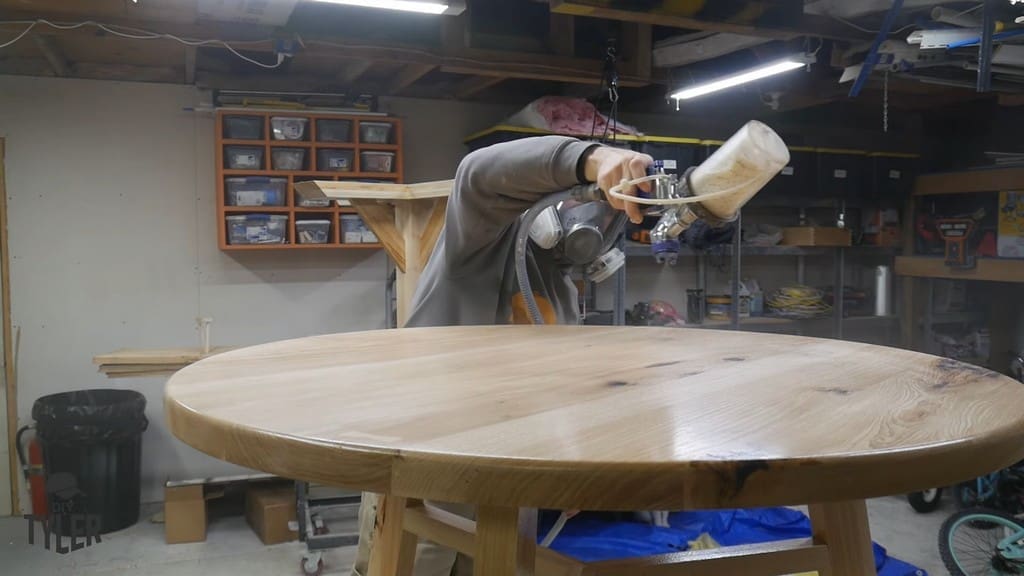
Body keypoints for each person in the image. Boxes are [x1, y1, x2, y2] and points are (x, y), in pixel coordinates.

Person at [350, 135, 654, 576]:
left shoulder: (561, 289)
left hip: (505, 478)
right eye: (584, 201)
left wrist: (572, 461)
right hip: (425, 468)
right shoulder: (475, 246)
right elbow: (478, 170)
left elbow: (558, 392)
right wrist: (593, 158)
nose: (589, 222)